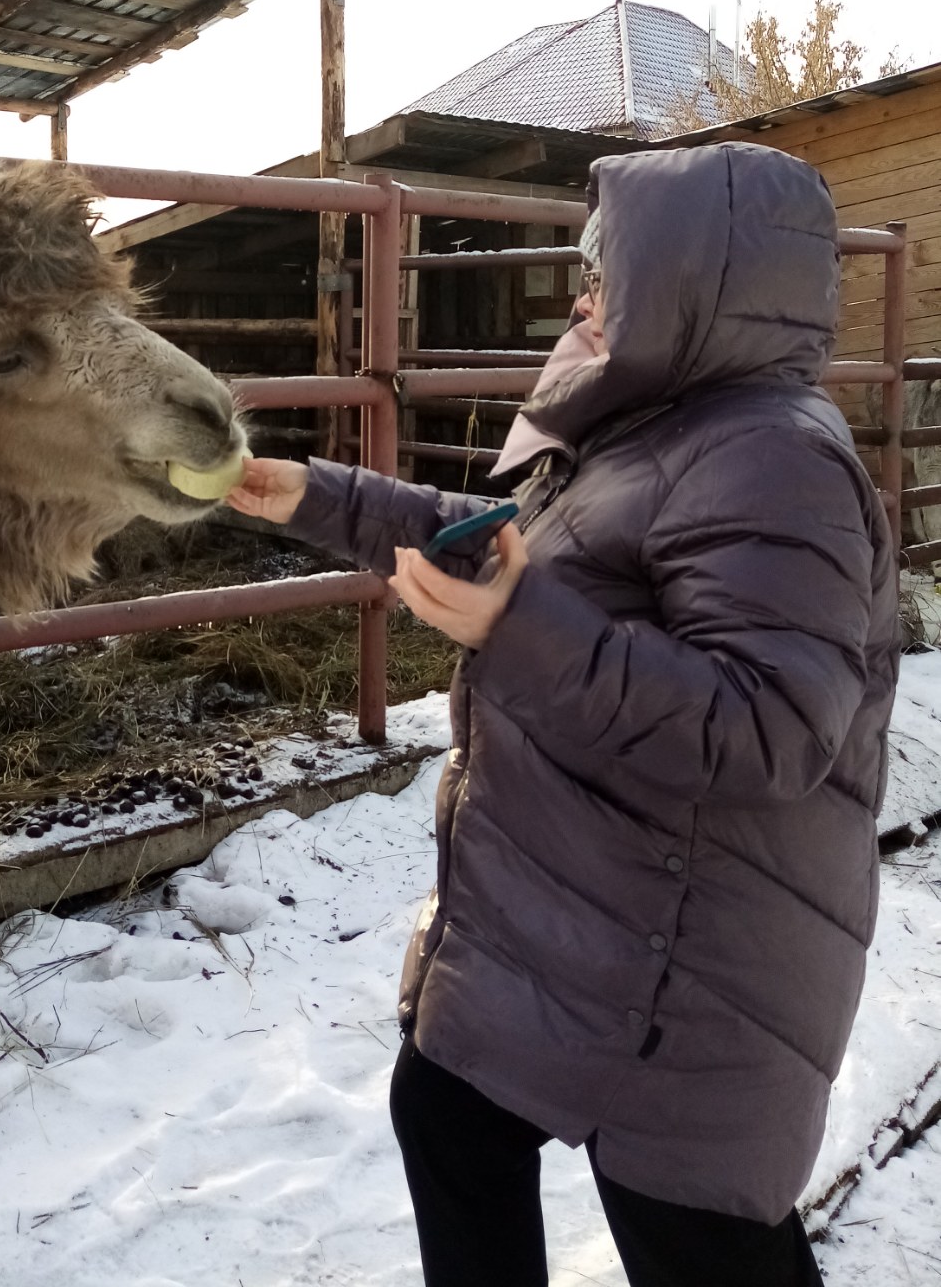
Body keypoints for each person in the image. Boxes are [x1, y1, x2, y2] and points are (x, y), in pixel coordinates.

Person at [228, 143, 898, 1287]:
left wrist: (516, 626)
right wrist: (319, 494)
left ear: (699, 281)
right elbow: (500, 538)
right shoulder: (652, 429)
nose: (584, 292)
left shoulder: (775, 462)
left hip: (694, 965)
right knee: (445, 1111)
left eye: (607, 265)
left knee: (700, 1243)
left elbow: (769, 729)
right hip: (588, 915)